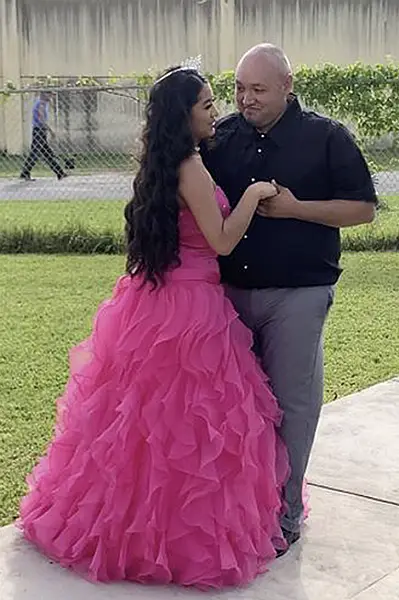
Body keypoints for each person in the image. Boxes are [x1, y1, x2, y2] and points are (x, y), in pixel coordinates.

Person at [18, 67, 292, 589]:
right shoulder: (190, 167)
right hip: (193, 310)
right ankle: (178, 541)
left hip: (155, 300)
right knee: (193, 429)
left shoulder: (161, 163)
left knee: (143, 429)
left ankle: (135, 530)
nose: (217, 111)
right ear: (183, 114)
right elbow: (223, 241)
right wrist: (255, 195)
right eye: (208, 104)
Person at [201, 43, 377, 552]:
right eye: (238, 89)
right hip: (227, 295)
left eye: (257, 89)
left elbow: (362, 210)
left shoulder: (326, 137)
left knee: (292, 404)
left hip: (298, 293)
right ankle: (237, 510)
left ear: (287, 86)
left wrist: (298, 209)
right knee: (229, 409)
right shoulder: (222, 138)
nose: (245, 99)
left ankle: (286, 511)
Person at [20, 91, 67, 181]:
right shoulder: (41, 104)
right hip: (39, 131)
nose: (50, 96)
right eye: (49, 94)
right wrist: (50, 130)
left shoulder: (43, 104)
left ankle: (60, 173)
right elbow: (41, 120)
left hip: (40, 131)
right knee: (35, 153)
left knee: (47, 153)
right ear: (43, 95)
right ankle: (25, 172)